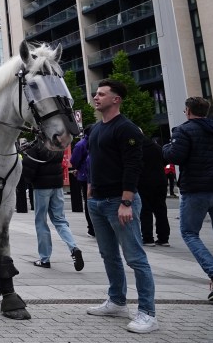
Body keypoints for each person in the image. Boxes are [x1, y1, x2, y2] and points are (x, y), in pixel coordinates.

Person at [85, 79, 158, 334]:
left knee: (135, 258)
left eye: (102, 94)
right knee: (109, 255)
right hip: (97, 201)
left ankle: (148, 313)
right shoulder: (95, 129)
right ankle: (117, 301)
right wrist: (91, 187)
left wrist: (126, 201)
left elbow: (133, 165)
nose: (96, 97)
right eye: (96, 93)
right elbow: (95, 160)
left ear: (116, 99)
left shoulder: (126, 129)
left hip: (120, 201)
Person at [163, 96, 213, 303]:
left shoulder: (184, 130)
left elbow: (174, 156)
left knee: (189, 232)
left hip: (196, 188)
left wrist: (165, 148)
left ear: (187, 111)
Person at [21, 141, 84, 271]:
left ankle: (45, 259)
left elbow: (29, 169)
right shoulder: (58, 145)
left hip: (41, 187)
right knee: (60, 220)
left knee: (41, 221)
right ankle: (74, 247)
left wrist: (29, 180)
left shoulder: (37, 147)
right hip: (57, 185)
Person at [138, 136, 170, 247]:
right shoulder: (157, 147)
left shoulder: (137, 148)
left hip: (143, 181)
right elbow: (165, 160)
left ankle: (148, 238)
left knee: (145, 210)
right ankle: (163, 238)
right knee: (161, 209)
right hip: (160, 180)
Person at [70, 126, 95, 237]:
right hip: (86, 176)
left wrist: (78, 168)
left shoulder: (81, 144)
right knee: (90, 201)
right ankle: (92, 228)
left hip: (85, 175)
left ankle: (92, 228)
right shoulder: (85, 144)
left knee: (88, 201)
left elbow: (74, 160)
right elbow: (74, 160)